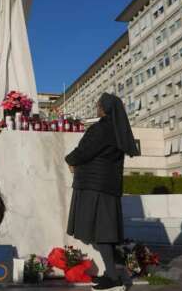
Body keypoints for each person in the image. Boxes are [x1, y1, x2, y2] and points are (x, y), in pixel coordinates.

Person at [65, 93, 139, 291]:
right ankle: (111, 273)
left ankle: (114, 280)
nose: (96, 107)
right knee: (103, 232)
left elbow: (84, 151)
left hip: (95, 187)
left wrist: (69, 159)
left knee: (101, 233)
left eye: (98, 105)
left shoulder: (101, 128)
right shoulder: (117, 130)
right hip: (108, 186)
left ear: (104, 108)